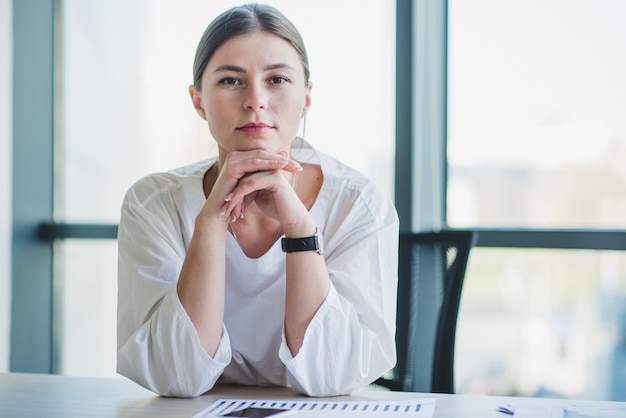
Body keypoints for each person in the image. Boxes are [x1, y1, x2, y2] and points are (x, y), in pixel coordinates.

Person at [116, 3, 399, 398]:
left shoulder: (359, 204)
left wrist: (299, 228)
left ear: (307, 98)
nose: (255, 100)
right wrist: (210, 222)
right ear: (198, 100)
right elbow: (173, 377)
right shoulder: (152, 204)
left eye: (278, 79)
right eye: (231, 81)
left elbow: (334, 375)